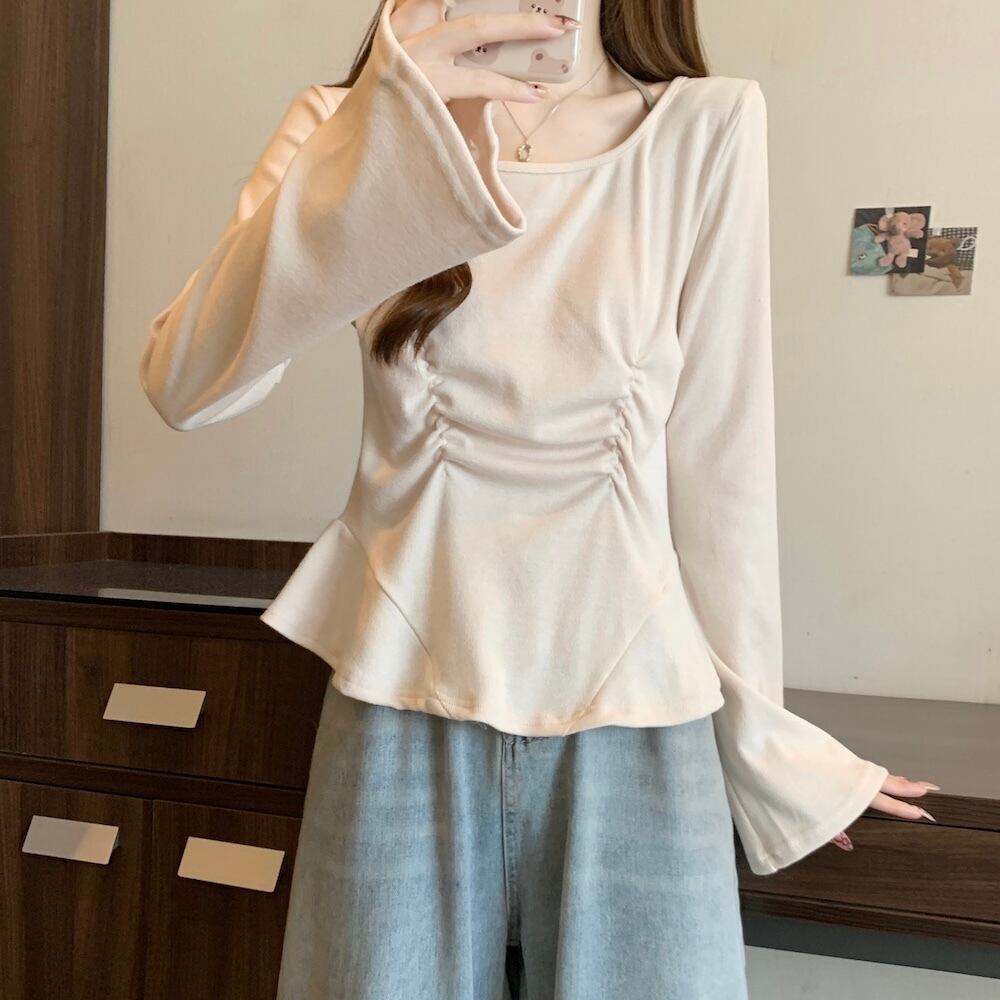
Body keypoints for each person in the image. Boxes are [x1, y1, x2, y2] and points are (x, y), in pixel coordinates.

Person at [138, 1, 940, 996]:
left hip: (638, 707)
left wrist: (770, 749)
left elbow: (721, 467)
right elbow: (186, 385)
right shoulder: (345, 122)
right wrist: (387, 132)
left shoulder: (705, 126)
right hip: (400, 691)